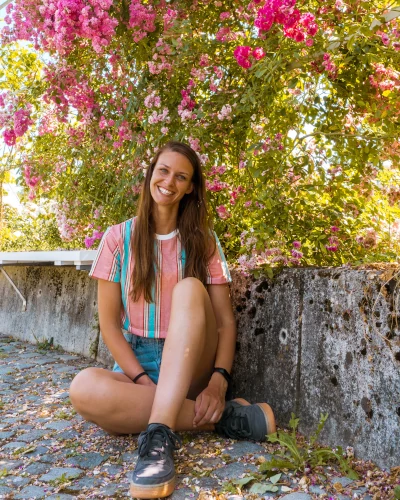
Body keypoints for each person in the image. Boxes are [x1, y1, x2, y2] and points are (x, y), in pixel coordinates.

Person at [69, 141, 276, 499]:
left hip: (192, 362)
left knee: (189, 289)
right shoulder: (117, 238)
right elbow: (109, 325)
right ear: (151, 175)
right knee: (82, 389)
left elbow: (225, 322)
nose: (170, 181)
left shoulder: (204, 241)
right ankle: (223, 419)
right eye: (163, 171)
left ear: (191, 187)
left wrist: (217, 383)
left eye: (181, 176)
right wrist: (139, 379)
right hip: (142, 366)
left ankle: (158, 440)